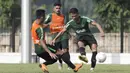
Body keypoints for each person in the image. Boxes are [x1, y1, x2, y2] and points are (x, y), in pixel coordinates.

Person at [44, 3, 70, 69]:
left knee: (65, 50)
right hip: (54, 35)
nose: (58, 9)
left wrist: (68, 32)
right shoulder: (50, 16)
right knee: (58, 51)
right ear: (53, 9)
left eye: (59, 8)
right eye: (56, 8)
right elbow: (43, 24)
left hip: (63, 34)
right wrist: (48, 24)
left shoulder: (63, 16)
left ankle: (69, 64)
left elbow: (67, 25)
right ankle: (60, 62)